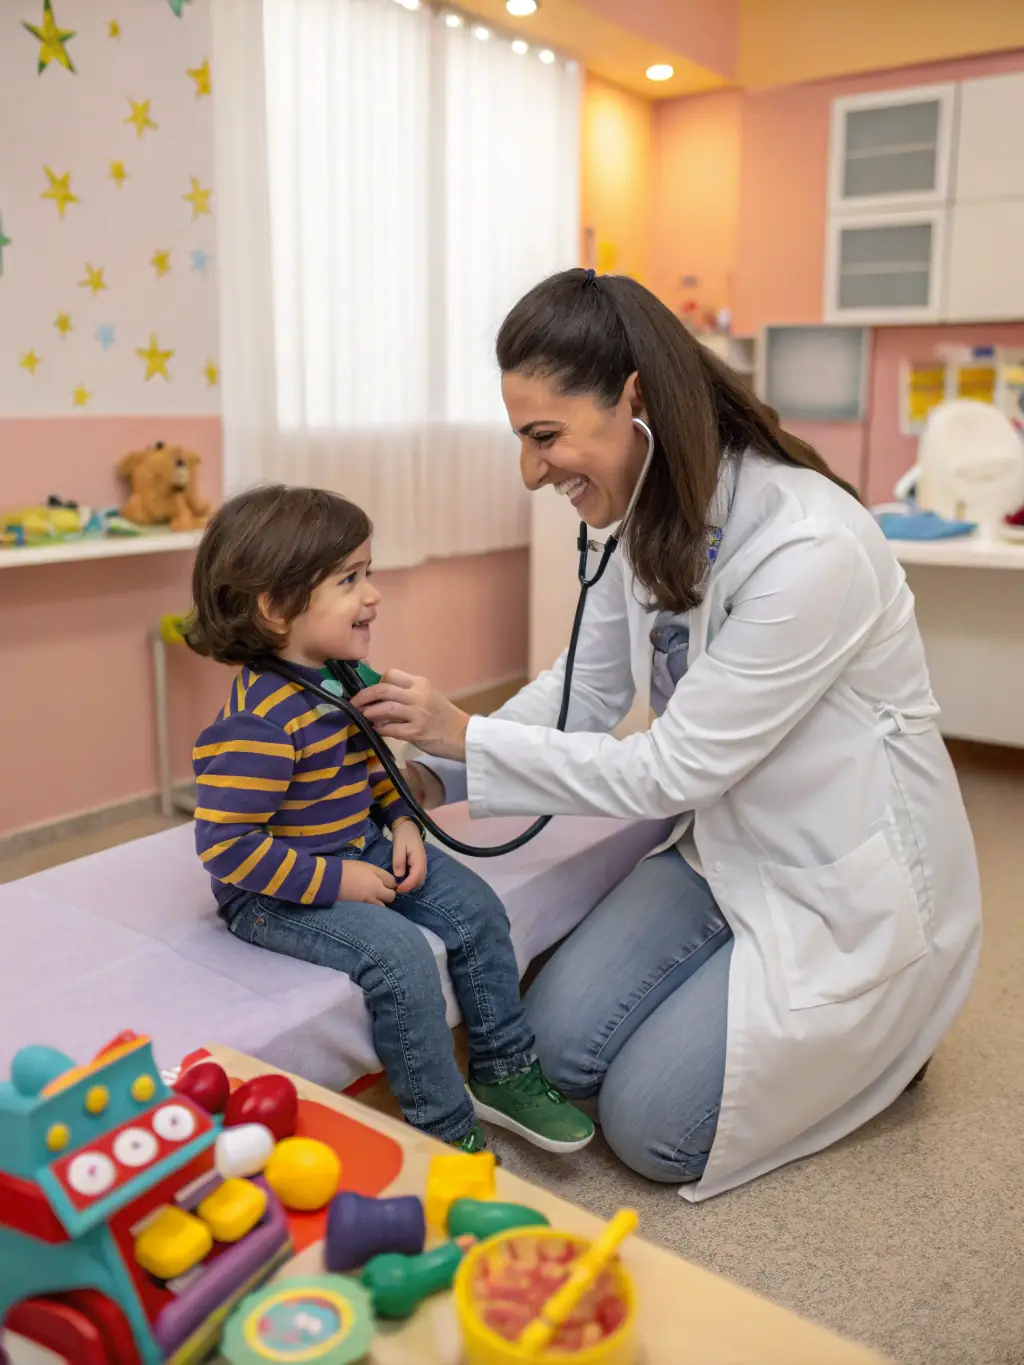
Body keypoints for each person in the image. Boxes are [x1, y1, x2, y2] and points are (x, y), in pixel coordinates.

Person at [353, 268, 983, 1201]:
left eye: (545, 437)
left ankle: (896, 1039)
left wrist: (464, 731)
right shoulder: (648, 514)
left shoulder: (809, 545)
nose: (532, 471)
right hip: (722, 844)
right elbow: (588, 686)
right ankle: (751, 1002)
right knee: (559, 1051)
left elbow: (669, 767)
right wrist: (437, 773)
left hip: (837, 876)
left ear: (634, 400)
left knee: (655, 1129)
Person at [184, 484, 594, 1156]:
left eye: (367, 573)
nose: (373, 594)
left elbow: (376, 764)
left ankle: (504, 1068)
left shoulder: (344, 675)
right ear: (277, 605)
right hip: (275, 893)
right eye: (350, 579)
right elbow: (227, 849)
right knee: (399, 956)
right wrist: (339, 881)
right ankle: (440, 1128)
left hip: (363, 846)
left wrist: (403, 822)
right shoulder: (259, 721)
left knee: (479, 910)